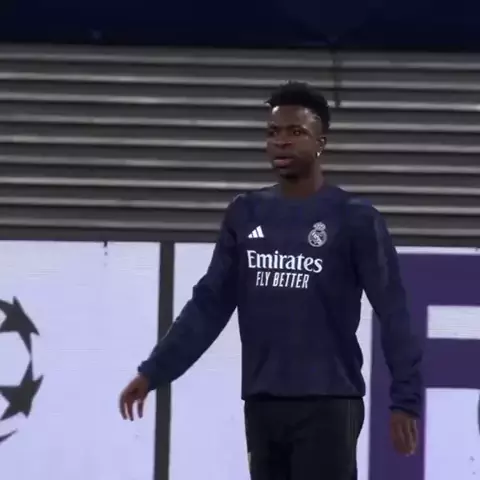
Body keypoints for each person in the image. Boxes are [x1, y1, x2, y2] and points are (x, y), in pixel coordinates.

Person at [119, 81, 423, 480]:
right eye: (273, 132)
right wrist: (153, 372)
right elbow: (208, 306)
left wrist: (405, 400)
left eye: (296, 131)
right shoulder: (245, 213)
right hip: (262, 402)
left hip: (329, 403)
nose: (281, 141)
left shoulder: (355, 218)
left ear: (320, 143)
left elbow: (394, 310)